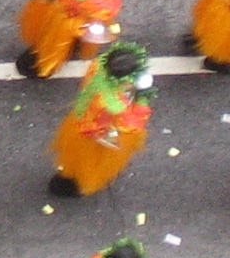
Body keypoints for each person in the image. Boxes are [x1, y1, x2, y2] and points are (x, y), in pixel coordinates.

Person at [48, 41, 154, 200]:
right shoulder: (112, 103)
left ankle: (69, 179)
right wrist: (143, 98)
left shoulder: (97, 67)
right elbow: (130, 125)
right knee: (89, 164)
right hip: (100, 136)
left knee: (74, 160)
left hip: (79, 122)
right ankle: (75, 184)